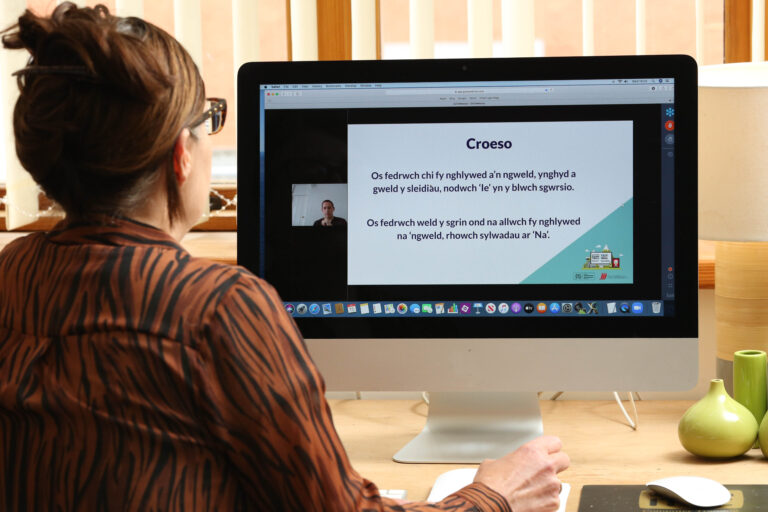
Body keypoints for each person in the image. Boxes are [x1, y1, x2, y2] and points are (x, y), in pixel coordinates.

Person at [0, 4, 569, 511]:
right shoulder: (217, 310)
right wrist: (493, 495)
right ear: (181, 156)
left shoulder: (14, 273)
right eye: (207, 122)